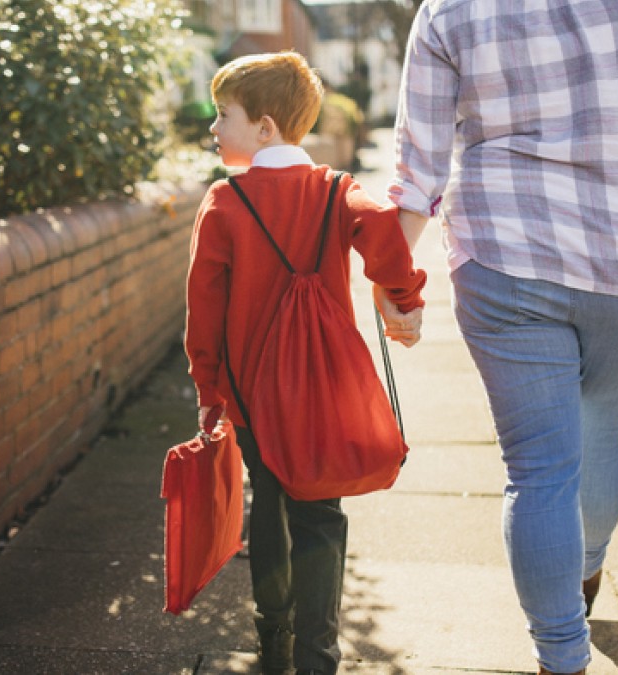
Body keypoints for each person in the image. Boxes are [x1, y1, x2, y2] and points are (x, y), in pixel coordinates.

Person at [378, 1, 618, 674]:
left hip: (506, 253)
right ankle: (586, 574)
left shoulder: (447, 9)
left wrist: (394, 274)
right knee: (601, 427)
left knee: (541, 468)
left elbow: (419, 162)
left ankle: (561, 657)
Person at [184, 51, 427, 675]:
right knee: (321, 512)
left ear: (265, 128)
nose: (213, 128)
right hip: (323, 393)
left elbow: (203, 306)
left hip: (251, 395)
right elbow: (386, 242)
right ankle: (320, 652)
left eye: (224, 115)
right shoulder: (334, 190)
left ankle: (275, 639)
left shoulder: (225, 201)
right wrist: (405, 299)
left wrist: (208, 386)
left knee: (267, 506)